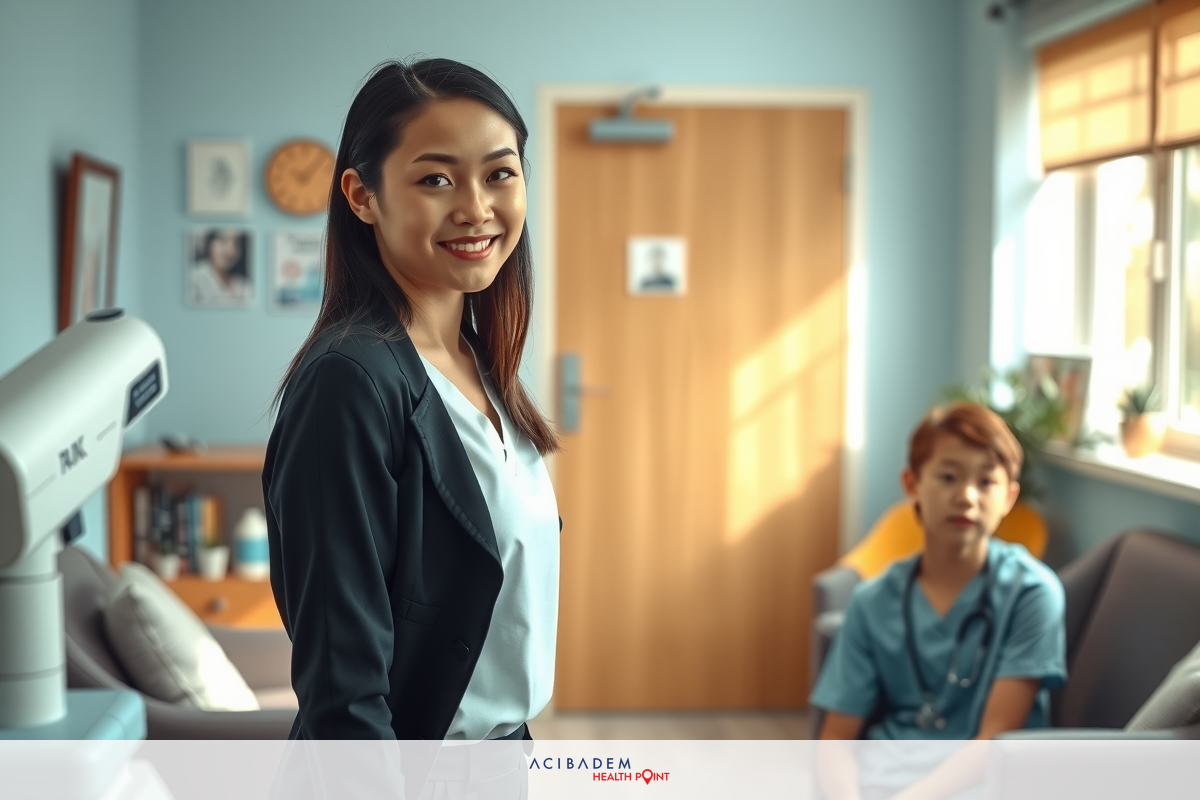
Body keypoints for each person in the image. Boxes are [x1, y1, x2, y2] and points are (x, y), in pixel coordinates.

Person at [262, 56, 561, 758]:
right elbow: (344, 691)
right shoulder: (348, 383)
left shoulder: (480, 365)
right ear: (362, 196)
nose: (476, 207)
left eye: (499, 173)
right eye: (435, 179)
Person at [811, 401, 1066, 743]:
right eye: (948, 477)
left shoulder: (1032, 593)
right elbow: (836, 741)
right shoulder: (871, 602)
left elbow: (996, 738)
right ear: (912, 484)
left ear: (1009, 498)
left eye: (987, 481)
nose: (966, 497)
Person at [188, 229, 251, 305]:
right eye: (223, 240)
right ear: (209, 243)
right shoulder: (192, 278)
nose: (231, 251)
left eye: (237, 244)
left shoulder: (243, 284)